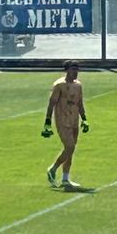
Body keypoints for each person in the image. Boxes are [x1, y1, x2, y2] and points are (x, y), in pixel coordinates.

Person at [42, 60, 89, 191]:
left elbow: (80, 103)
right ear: (67, 70)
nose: (76, 72)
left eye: (77, 70)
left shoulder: (78, 86)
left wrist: (84, 119)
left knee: (71, 150)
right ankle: (52, 169)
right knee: (69, 147)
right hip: (62, 120)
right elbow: (51, 103)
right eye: (73, 69)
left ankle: (65, 178)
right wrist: (47, 122)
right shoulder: (59, 85)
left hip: (74, 120)